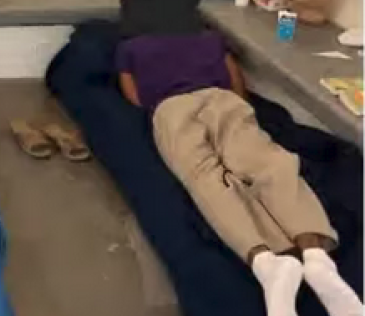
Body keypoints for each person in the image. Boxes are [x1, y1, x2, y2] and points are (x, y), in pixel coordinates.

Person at [116, 29, 362, 316]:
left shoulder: (128, 47)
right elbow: (237, 85)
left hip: (172, 107)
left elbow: (133, 98)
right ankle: (316, 255)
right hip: (222, 100)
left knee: (205, 177)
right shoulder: (210, 39)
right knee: (268, 163)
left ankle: (265, 263)